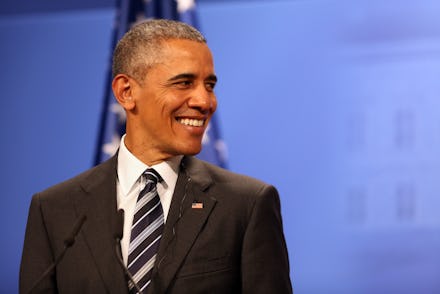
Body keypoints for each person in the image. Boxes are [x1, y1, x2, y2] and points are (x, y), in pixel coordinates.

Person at [19, 19, 292, 294]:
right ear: (126, 92)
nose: (204, 101)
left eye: (209, 85)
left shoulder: (246, 204)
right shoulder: (55, 210)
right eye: (184, 83)